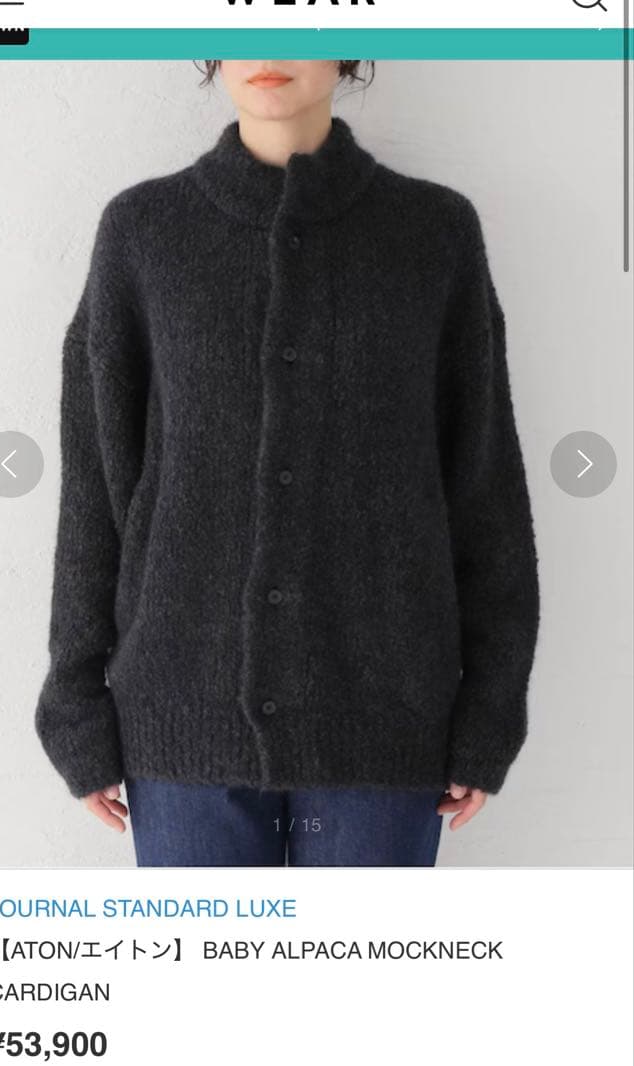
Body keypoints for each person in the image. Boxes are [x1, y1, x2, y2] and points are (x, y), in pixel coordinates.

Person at [35, 60, 540, 867]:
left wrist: (490, 709)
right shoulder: (145, 232)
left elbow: (484, 489)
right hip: (181, 727)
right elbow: (95, 486)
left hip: (385, 727)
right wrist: (75, 702)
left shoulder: (432, 233)